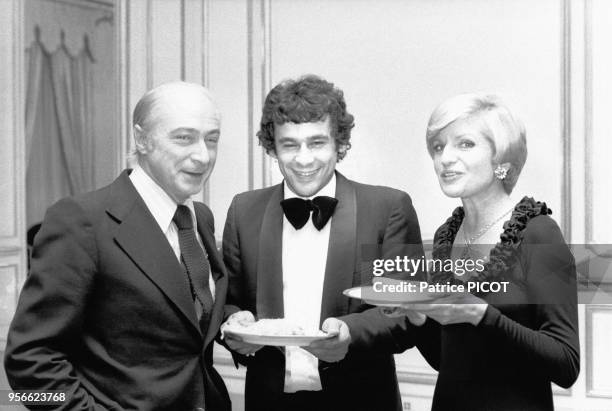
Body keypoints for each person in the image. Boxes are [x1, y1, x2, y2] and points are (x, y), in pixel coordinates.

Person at [4, 82, 231, 411]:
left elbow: (184, 323)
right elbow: (29, 360)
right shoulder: (82, 221)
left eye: (212, 139)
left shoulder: (201, 219)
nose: (203, 155)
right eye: (184, 137)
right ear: (142, 139)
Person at [221, 74, 425, 411]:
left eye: (317, 143)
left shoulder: (388, 208)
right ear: (273, 147)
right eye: (290, 144)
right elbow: (226, 302)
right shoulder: (244, 211)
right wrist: (233, 324)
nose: (303, 159)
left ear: (340, 144)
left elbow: (407, 316)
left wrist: (349, 332)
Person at [398, 93, 580, 410]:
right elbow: (447, 360)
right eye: (438, 147)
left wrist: (484, 316)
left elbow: (566, 364)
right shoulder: (446, 236)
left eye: (465, 144)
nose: (445, 158)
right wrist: (417, 318)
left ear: (500, 160)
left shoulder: (538, 233)